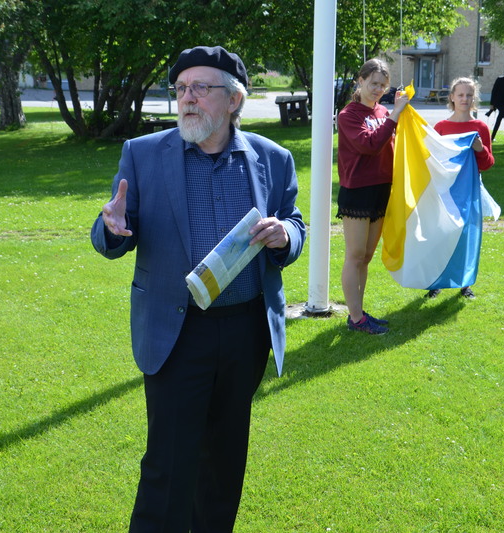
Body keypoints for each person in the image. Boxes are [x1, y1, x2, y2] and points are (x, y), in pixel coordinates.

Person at [90, 45, 306, 533]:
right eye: (182, 88)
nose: (188, 99)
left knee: (224, 464)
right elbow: (109, 232)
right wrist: (113, 228)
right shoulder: (143, 154)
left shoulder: (273, 158)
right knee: (168, 467)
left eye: (201, 88)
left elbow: (294, 223)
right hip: (176, 332)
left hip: (245, 332)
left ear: (233, 100)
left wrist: (286, 236)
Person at [336, 58, 409, 334]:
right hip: (357, 190)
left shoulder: (383, 111)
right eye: (373, 83)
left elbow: (393, 142)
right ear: (361, 81)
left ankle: (358, 312)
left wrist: (397, 116)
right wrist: (394, 115)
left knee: (366, 256)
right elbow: (369, 145)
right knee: (354, 255)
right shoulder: (349, 114)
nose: (378, 89)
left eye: (382, 85)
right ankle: (356, 319)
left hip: (381, 188)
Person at [428, 76, 495, 300]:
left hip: (470, 192)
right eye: (460, 95)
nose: (464, 99)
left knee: (467, 236)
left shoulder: (480, 127)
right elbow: (434, 159)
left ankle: (465, 283)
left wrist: (479, 148)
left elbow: (487, 164)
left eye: (469, 95)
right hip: (445, 190)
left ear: (473, 98)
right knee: (442, 235)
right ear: (452, 98)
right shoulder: (441, 127)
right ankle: (436, 282)